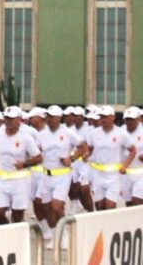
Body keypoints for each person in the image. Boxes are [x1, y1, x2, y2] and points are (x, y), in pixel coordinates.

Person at [38, 105, 85, 248]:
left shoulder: (67, 133)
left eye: (52, 117)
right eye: (48, 117)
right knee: (46, 207)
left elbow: (83, 147)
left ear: (59, 118)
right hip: (46, 175)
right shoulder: (42, 134)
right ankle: (54, 235)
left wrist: (71, 158)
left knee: (57, 207)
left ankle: (64, 233)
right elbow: (37, 151)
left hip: (62, 176)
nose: (49, 119)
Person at [0, 106, 41, 224]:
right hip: (1, 180)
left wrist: (24, 164)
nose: (8, 121)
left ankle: (16, 237)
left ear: (19, 120)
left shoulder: (26, 138)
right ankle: (9, 232)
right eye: (7, 118)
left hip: (20, 182)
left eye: (12, 118)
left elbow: (39, 157)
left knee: (17, 216)